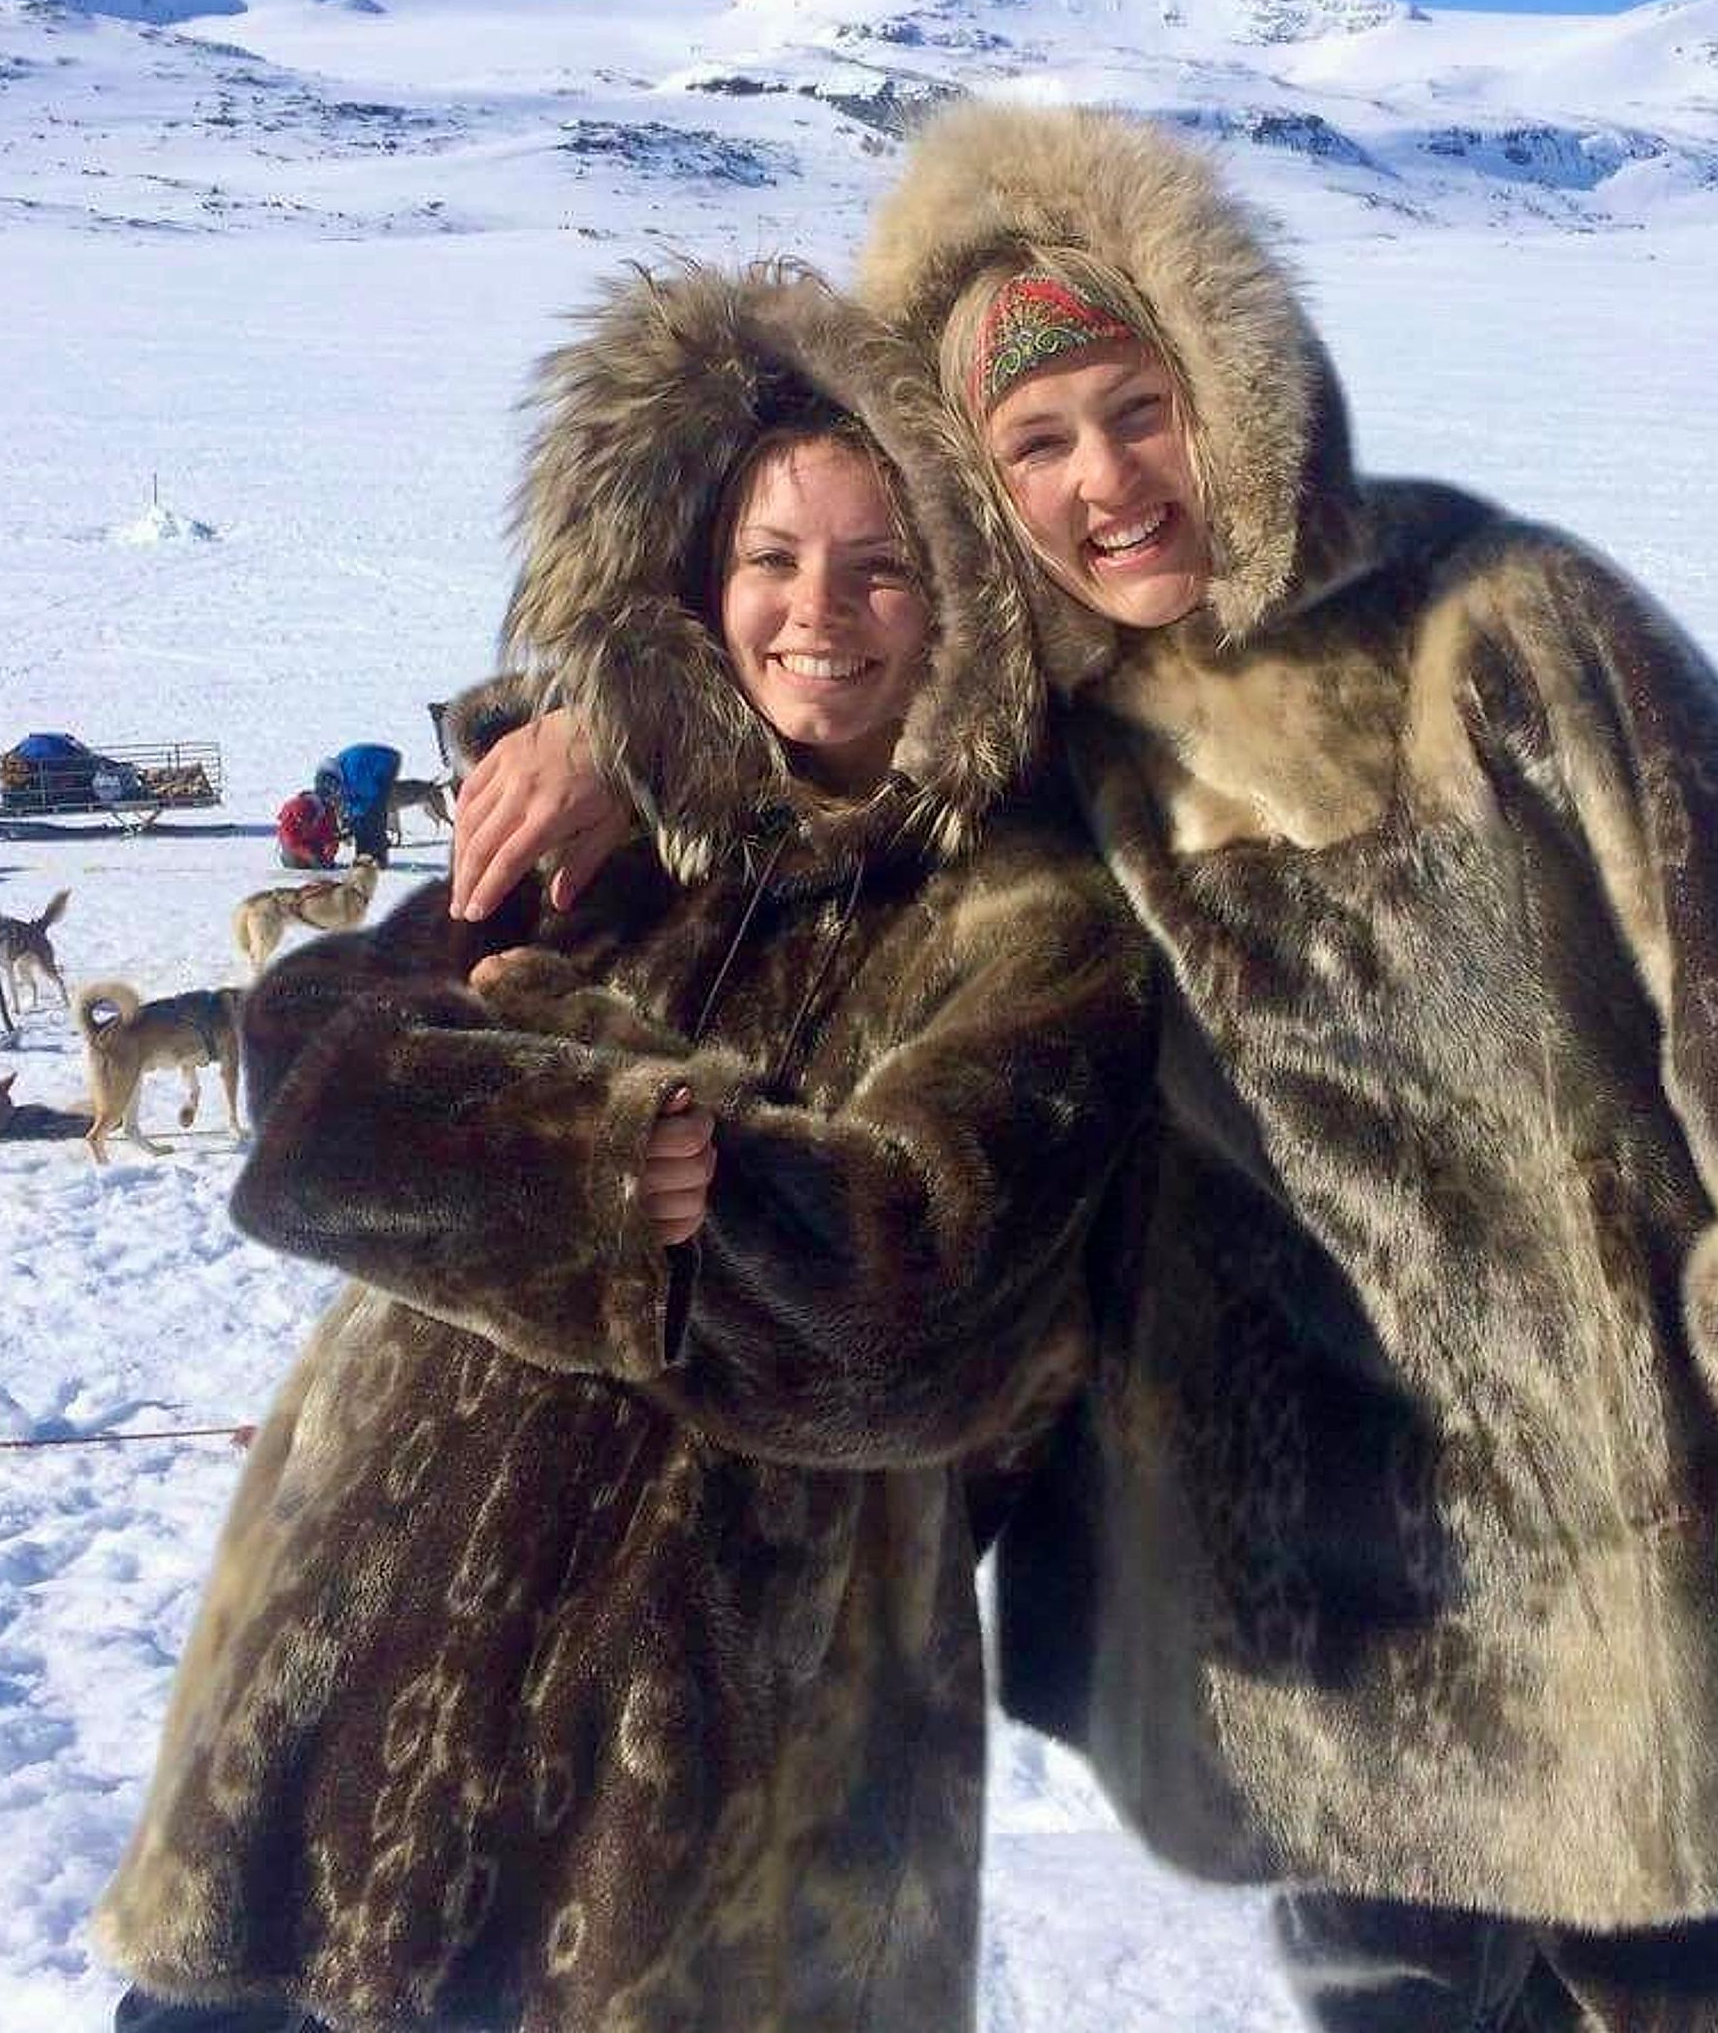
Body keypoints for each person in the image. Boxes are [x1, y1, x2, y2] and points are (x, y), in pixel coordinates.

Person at [459, 107, 1718, 2031]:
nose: (1106, 480)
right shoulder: (1033, 733)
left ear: (1228, 380)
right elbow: (803, 721)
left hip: (1651, 1573)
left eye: (1139, 406)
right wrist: (615, 731)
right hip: (1313, 1616)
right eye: (1033, 443)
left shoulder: (1500, 622)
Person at [95, 263, 1152, 2033]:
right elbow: (310, 1077)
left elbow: (907, 1303)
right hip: (346, 1682)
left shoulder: (1038, 917)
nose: (821, 612)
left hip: (724, 1778)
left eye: (883, 562)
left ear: (970, 597)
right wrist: (598, 1156)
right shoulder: (603, 824)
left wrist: (587, 1092)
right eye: (770, 557)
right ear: (694, 576)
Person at [319, 740, 402, 867]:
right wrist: (351, 817)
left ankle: (379, 856)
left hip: (389, 762)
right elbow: (348, 796)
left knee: (375, 812)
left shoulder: (356, 775)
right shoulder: (341, 771)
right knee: (360, 818)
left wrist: (354, 820)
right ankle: (365, 853)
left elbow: (370, 796)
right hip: (367, 766)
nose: (334, 792)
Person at [273, 782, 342, 870]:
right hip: (295, 851)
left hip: (316, 846)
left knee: (321, 862)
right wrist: (310, 856)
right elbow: (291, 842)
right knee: (294, 863)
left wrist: (329, 854)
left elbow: (332, 836)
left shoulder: (327, 811)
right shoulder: (289, 816)